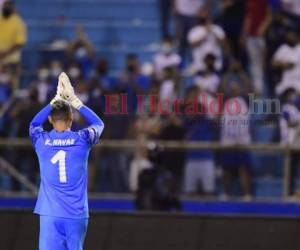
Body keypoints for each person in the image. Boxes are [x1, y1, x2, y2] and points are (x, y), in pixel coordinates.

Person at [29, 72, 104, 250]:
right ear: (71, 119)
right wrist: (76, 102)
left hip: (50, 214)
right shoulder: (82, 139)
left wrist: (53, 101)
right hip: (76, 214)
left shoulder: (42, 140)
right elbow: (99, 124)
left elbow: (33, 124)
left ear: (50, 119)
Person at [220, 83, 252, 200]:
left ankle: (247, 194)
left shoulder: (245, 101)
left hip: (242, 140)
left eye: (237, 89)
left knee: (243, 168)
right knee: (226, 168)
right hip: (228, 140)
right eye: (232, 89)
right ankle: (226, 194)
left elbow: (250, 89)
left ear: (240, 90)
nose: (234, 91)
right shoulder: (225, 102)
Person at [241, 0, 272, 95]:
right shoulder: (249, 1)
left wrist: (262, 28)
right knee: (254, 65)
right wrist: (244, 33)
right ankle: (258, 90)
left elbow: (269, 16)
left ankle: (268, 91)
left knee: (264, 64)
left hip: (262, 37)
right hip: (251, 36)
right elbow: (248, 17)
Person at [0, 0, 27, 92]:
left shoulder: (18, 22)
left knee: (11, 87)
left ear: (12, 7)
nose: (6, 7)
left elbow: (20, 42)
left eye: (9, 5)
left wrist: (5, 53)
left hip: (12, 60)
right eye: (5, 5)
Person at [272, 29, 300, 96]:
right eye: (288, 35)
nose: (289, 37)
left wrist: (281, 63)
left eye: (292, 35)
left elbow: (291, 65)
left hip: (298, 81)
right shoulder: (283, 48)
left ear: (296, 35)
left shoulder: (299, 48)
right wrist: (283, 64)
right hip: (286, 81)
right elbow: (273, 63)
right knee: (277, 91)